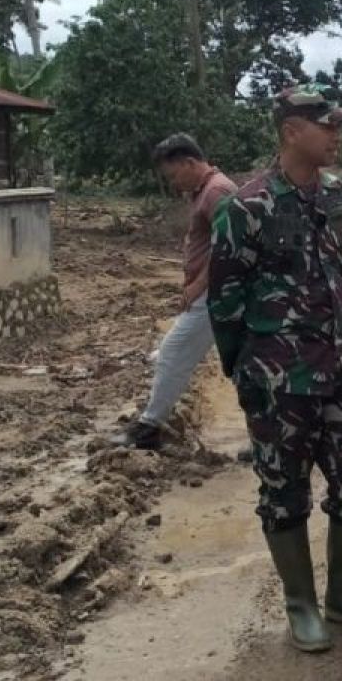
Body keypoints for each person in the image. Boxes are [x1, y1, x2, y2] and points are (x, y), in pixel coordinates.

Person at [208, 84, 342, 653]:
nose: (338, 136)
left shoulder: (339, 194)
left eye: (340, 126)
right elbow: (225, 301)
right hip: (280, 377)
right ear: (292, 131)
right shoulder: (247, 207)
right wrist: (245, 371)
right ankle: (301, 605)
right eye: (328, 126)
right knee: (284, 491)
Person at [111, 133, 237, 450]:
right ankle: (270, 438)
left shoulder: (217, 191)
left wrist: (197, 285)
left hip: (216, 294)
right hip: (213, 293)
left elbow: (228, 246)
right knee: (242, 366)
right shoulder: (206, 190)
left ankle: (149, 427)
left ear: (189, 163)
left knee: (172, 353)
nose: (173, 183)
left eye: (173, 174)